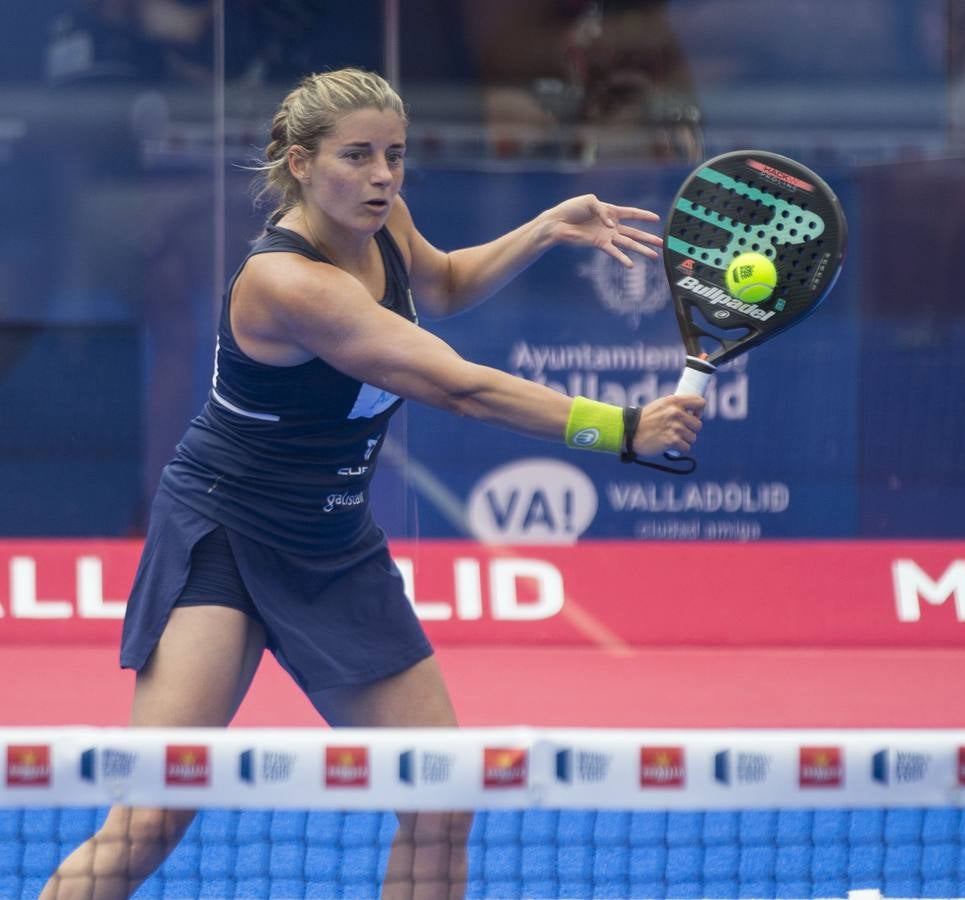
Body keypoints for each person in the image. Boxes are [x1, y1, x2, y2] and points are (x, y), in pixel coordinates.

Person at [42, 67, 703, 900]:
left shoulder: (382, 223)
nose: (383, 175)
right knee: (154, 814)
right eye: (357, 156)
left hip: (332, 546)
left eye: (393, 154)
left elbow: (446, 285)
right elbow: (459, 385)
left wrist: (541, 228)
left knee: (441, 795)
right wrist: (620, 429)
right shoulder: (286, 282)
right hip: (224, 536)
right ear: (297, 163)